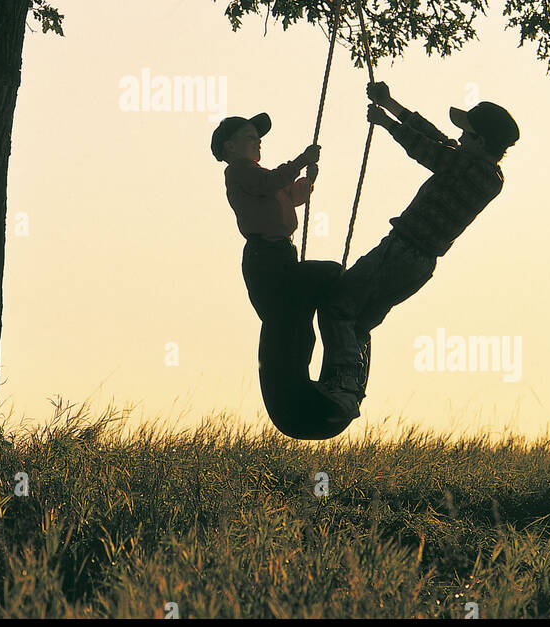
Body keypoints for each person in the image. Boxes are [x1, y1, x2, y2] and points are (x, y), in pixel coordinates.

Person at [320, 82, 520, 411]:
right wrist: (391, 104)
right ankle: (351, 389)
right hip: (420, 266)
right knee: (361, 322)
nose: (459, 139)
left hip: (401, 250)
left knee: (337, 306)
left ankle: (341, 383)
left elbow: (426, 148)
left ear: (480, 141)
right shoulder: (487, 175)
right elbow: (437, 139)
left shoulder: (469, 169)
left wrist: (386, 123)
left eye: (467, 135)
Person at [211, 113, 366, 439]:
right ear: (230, 146)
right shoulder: (239, 172)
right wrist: (299, 162)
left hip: (280, 254)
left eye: (258, 136)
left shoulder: (260, 178)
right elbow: (270, 184)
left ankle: (320, 375)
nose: (258, 141)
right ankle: (339, 367)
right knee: (317, 287)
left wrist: (305, 182)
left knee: (296, 322)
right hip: (266, 259)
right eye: (251, 136)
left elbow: (290, 196)